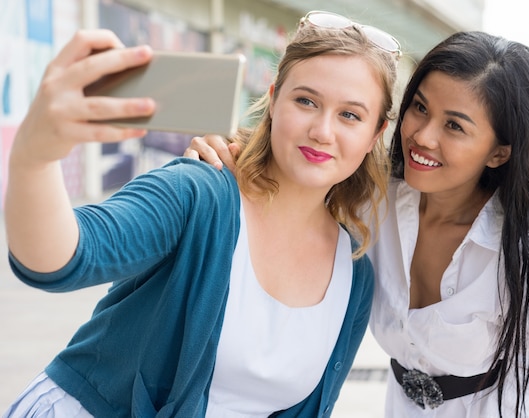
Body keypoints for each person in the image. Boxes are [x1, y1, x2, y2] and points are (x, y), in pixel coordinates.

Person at [2, 10, 402, 417]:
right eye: (305, 101)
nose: (322, 130)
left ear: (375, 134)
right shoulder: (199, 191)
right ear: (274, 98)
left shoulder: (354, 276)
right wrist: (34, 158)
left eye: (350, 115)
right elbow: (65, 257)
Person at [186, 30, 529, 418]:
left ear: (498, 152)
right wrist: (217, 159)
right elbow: (300, 157)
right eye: (421, 108)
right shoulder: (372, 199)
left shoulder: (525, 259)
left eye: (455, 126)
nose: (422, 136)